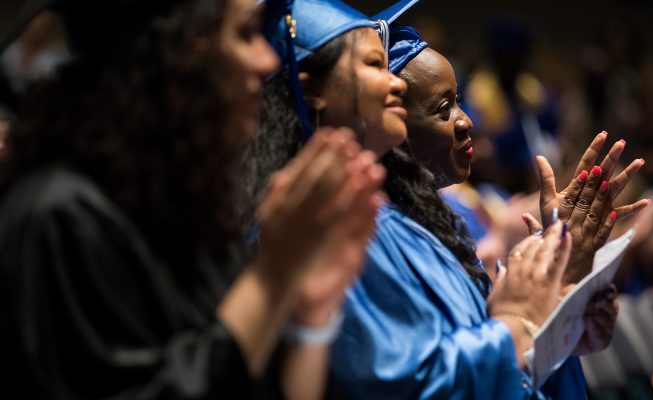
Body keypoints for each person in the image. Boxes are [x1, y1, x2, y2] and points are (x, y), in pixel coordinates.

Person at [0, 0, 385, 399]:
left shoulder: (190, 208)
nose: (267, 60)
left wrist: (311, 317)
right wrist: (271, 279)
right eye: (245, 34)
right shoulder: (57, 217)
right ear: (176, 51)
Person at [330, 22, 649, 399]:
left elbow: (501, 346)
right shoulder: (369, 238)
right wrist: (520, 320)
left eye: (458, 101)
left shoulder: (434, 221)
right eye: (443, 108)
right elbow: (426, 380)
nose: (466, 121)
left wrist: (564, 321)